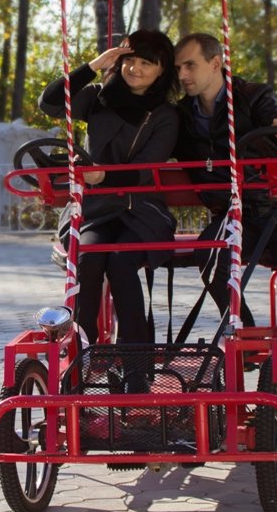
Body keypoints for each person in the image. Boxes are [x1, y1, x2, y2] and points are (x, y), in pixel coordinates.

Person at [172, 31, 277, 446]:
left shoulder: (253, 96)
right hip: (232, 215)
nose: (183, 74)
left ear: (216, 63)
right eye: (178, 67)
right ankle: (246, 335)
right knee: (210, 261)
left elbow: (276, 119)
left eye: (190, 65)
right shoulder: (180, 115)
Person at [39, 29, 180, 356]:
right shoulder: (98, 97)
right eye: (130, 60)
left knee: (120, 262)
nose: (136, 68)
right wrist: (94, 65)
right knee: (87, 258)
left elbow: (147, 167)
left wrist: (104, 176)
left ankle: (136, 364)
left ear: (162, 70)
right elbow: (49, 103)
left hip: (140, 211)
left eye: (147, 62)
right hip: (95, 210)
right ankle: (82, 353)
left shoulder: (165, 115)